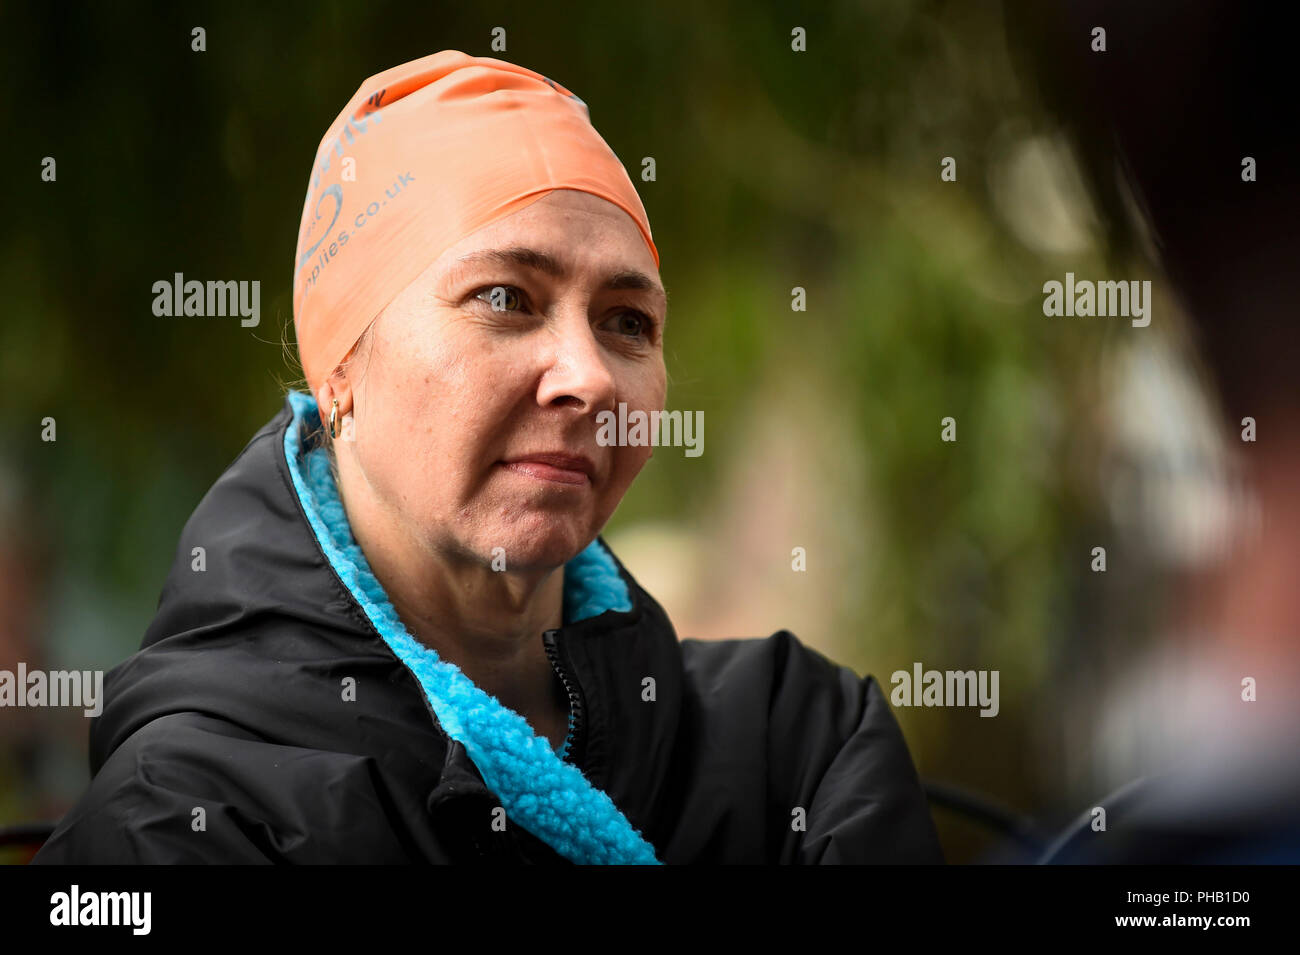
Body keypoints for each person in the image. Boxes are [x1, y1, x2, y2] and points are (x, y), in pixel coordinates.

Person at [33, 50, 943, 864]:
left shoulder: (799, 747)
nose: (587, 377)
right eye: (507, 297)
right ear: (342, 363)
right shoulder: (185, 818)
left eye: (628, 322)